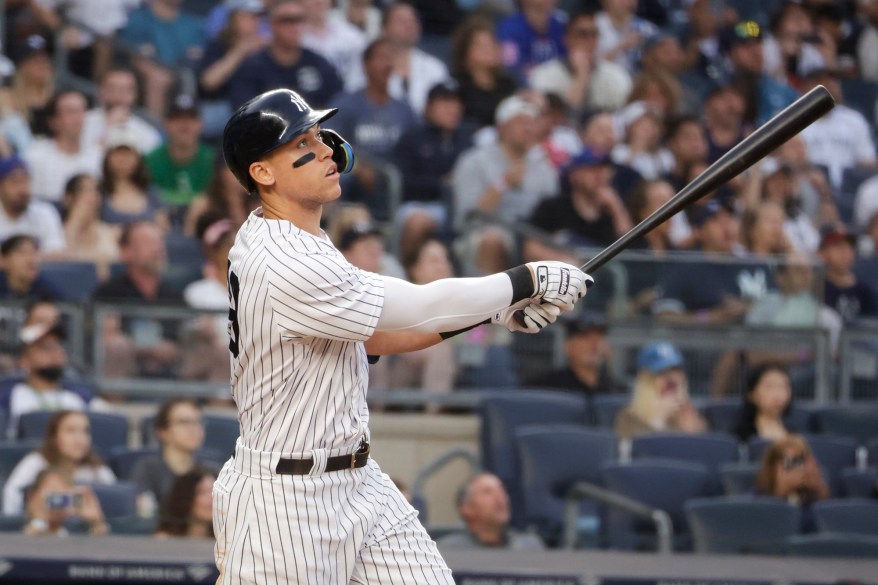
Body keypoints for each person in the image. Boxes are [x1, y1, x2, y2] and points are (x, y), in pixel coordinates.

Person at [215, 88, 590, 584]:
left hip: (359, 482)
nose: (328, 150)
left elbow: (379, 337)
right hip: (285, 502)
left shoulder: (298, 236)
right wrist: (522, 283)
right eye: (303, 142)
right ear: (262, 173)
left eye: (320, 135)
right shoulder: (283, 260)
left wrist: (494, 315)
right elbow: (416, 306)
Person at [452, 94, 558, 274]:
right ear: (501, 127)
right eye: (520, 122)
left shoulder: (544, 169)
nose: (528, 129)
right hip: (484, 233)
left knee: (561, 251)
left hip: (532, 236)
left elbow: (554, 216)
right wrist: (503, 184)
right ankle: (494, 301)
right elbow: (468, 218)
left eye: (531, 123)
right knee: (492, 240)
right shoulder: (474, 161)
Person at [227, 0, 343, 109]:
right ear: (272, 24)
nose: (294, 27)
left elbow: (337, 103)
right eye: (286, 20)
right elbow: (243, 108)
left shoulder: (318, 62)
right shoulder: (253, 66)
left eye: (299, 20)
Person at [0, 321, 105, 440]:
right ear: (24, 360)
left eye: (59, 346)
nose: (56, 352)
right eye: (46, 347)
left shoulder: (81, 396)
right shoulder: (8, 397)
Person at [3, 409, 116, 516]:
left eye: (85, 431)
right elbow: (12, 496)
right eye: (71, 431)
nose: (80, 438)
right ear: (54, 436)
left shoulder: (98, 470)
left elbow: (115, 502)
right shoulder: (36, 462)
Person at [528, 9, 632, 117]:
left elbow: (624, 118)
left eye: (594, 34)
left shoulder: (616, 75)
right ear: (567, 39)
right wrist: (582, 75)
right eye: (583, 34)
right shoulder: (545, 74)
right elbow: (560, 119)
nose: (590, 40)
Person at [130, 398, 216, 516]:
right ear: (163, 431)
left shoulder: (211, 472)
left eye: (198, 422)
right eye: (184, 422)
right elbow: (145, 515)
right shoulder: (147, 470)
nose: (194, 429)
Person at [22, 89, 103, 204]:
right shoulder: (34, 156)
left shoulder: (98, 156)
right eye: (70, 112)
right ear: (53, 121)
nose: (77, 118)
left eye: (82, 111)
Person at [614, 340, 707, 440]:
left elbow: (704, 449)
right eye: (663, 373)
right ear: (646, 381)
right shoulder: (628, 417)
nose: (672, 379)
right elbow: (629, 449)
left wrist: (692, 429)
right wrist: (659, 418)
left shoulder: (686, 415)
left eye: (676, 371)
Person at [145, 94, 216, 216]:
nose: (185, 125)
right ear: (165, 123)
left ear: (200, 123)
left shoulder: (213, 160)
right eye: (177, 119)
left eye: (191, 119)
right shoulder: (150, 161)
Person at [438, 472, 545, 550]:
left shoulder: (530, 547)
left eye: (502, 491)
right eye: (487, 492)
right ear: (467, 509)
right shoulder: (448, 551)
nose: (500, 498)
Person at [528, 310, 621, 396]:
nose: (594, 344)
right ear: (568, 346)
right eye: (585, 337)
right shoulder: (546, 388)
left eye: (599, 337)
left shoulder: (616, 391)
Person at [451, 16, 518, 131]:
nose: (488, 49)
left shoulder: (508, 85)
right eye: (480, 45)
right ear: (464, 52)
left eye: (492, 44)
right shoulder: (456, 86)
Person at [381, 2, 450, 115]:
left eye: (413, 20)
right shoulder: (370, 64)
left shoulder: (435, 68)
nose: (409, 25)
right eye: (401, 21)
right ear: (384, 28)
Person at [755, 434, 829, 532]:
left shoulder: (811, 497)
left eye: (801, 460)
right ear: (774, 467)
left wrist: (820, 491)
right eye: (792, 462)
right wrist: (781, 491)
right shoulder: (758, 496)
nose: (797, 468)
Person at [81, 68, 163, 155]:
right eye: (111, 89)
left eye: (124, 90)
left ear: (135, 95)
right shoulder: (82, 122)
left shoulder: (147, 134)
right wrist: (109, 127)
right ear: (100, 91)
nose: (117, 95)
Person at [0, 155, 66, 255]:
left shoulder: (45, 213)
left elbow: (58, 254)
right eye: (15, 182)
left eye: (25, 181)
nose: (23, 190)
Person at [100, 139, 168, 230]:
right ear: (108, 157)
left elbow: (163, 226)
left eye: (128, 154)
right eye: (118, 153)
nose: (123, 159)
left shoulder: (151, 191)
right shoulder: (98, 192)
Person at [62, 174, 120, 281]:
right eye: (84, 191)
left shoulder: (113, 233)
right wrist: (75, 222)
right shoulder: (55, 233)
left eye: (96, 190)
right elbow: (65, 262)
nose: (92, 196)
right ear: (68, 199)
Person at [23, 466, 108, 536]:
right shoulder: (13, 528)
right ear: (32, 496)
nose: (56, 501)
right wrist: (39, 523)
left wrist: (96, 524)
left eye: (63, 496)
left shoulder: (77, 532)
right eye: (51, 494)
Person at [818, 224, 877, 323]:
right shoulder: (817, 288)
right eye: (839, 247)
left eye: (850, 247)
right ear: (822, 252)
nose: (846, 252)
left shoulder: (865, 291)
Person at [496, 0, 567, 79]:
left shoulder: (560, 27)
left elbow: (566, 62)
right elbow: (510, 65)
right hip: (523, 85)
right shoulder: (510, 28)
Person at [733, 362, 794, 443]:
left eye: (783, 386)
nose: (778, 393)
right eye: (770, 386)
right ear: (752, 394)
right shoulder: (740, 437)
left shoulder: (796, 436)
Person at [155, 466, 216, 538]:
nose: (212, 498)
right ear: (186, 498)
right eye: (202, 492)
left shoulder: (227, 541)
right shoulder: (163, 540)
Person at [0, 234, 61, 301]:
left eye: (34, 253)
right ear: (4, 260)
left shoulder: (48, 291)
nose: (31, 260)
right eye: (22, 253)